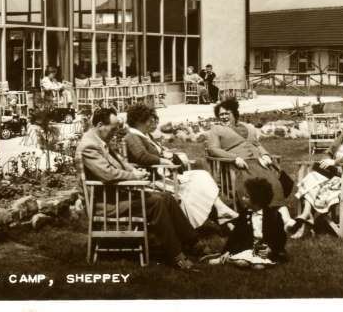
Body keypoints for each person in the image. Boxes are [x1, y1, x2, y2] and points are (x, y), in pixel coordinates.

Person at [76, 108, 198, 270]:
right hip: (105, 204)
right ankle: (176, 256)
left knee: (166, 197)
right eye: (112, 129)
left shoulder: (99, 141)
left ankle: (193, 243)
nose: (114, 133)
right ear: (99, 125)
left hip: (116, 196)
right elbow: (107, 174)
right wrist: (134, 177)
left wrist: (134, 170)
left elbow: (119, 163)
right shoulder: (89, 146)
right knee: (156, 202)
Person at [123, 103, 239, 229]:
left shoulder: (145, 135)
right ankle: (216, 215)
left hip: (164, 174)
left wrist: (167, 153)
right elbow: (141, 156)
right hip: (153, 178)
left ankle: (220, 211)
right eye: (148, 120)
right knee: (198, 181)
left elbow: (156, 151)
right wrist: (163, 160)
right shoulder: (132, 136)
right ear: (140, 120)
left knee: (201, 176)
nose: (151, 122)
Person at [205, 98, 296, 232]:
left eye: (226, 113)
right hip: (239, 164)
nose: (223, 117)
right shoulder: (216, 129)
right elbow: (213, 149)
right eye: (221, 115)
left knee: (273, 181)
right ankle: (262, 218)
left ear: (234, 113)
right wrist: (234, 158)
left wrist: (265, 155)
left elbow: (257, 145)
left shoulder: (247, 127)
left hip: (259, 161)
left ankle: (286, 219)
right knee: (254, 183)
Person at [290, 108, 343, 238]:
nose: (341, 126)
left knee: (312, 182)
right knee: (313, 179)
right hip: (334, 177)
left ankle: (306, 220)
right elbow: (328, 152)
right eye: (341, 123)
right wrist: (328, 159)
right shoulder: (342, 138)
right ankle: (307, 216)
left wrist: (336, 162)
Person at [206, 177, 287, 268]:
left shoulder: (273, 216)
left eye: (247, 197)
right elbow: (235, 235)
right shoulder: (245, 214)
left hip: (265, 251)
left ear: (257, 200)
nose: (243, 198)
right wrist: (228, 251)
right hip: (248, 249)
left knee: (258, 267)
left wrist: (270, 249)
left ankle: (236, 260)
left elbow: (280, 237)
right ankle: (227, 258)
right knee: (242, 263)